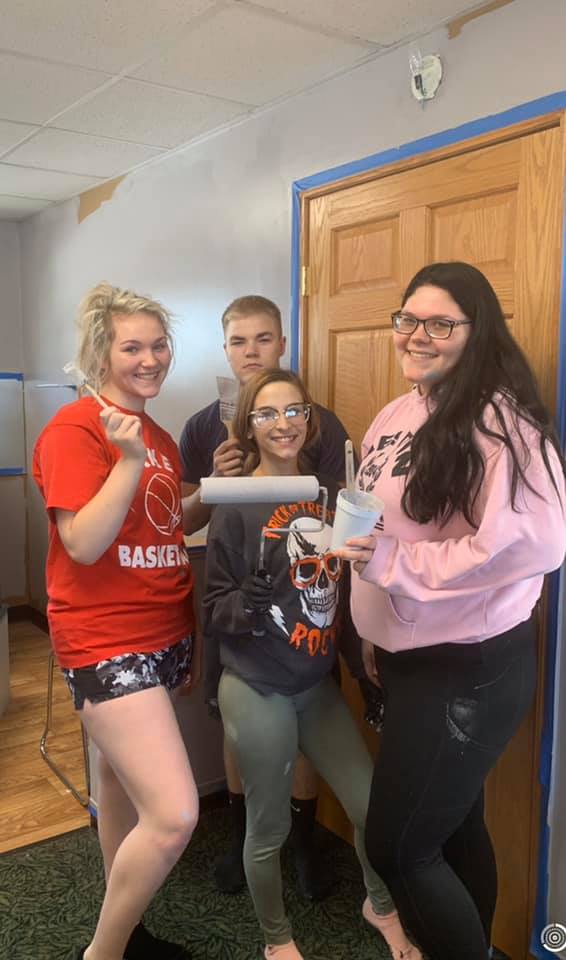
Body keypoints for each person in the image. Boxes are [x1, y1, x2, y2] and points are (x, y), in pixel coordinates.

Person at [337, 262, 566, 960]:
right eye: (408, 319)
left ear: (477, 331)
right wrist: (371, 623)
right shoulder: (398, 411)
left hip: (465, 668)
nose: (417, 335)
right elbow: (386, 523)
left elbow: (533, 544)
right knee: (454, 826)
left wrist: (394, 569)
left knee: (398, 848)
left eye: (440, 324)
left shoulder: (501, 423)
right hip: (409, 657)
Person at [202, 368, 420, 960]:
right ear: (250, 426)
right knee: (268, 828)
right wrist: (249, 600)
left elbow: (345, 587)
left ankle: (380, 906)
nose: (283, 423)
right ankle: (278, 941)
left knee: (370, 808)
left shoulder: (329, 495)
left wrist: (361, 656)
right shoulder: (236, 505)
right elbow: (213, 609)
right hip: (258, 684)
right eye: (267, 413)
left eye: (294, 410)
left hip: (313, 681)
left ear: (309, 418)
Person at [33, 283, 200, 960]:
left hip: (162, 633)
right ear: (102, 353)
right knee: (175, 814)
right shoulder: (76, 429)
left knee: (119, 789)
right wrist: (127, 460)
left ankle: (128, 939)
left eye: (159, 345)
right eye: (133, 347)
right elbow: (83, 542)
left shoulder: (157, 436)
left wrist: (213, 492)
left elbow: (161, 524)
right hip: (108, 639)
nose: (150, 359)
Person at [179, 295, 352, 899]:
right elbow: (185, 519)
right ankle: (240, 838)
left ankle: (303, 843)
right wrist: (216, 483)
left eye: (262, 339)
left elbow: (341, 510)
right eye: (238, 341)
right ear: (225, 349)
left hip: (305, 604)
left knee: (304, 721)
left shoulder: (317, 424)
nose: (251, 351)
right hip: (240, 601)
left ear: (282, 343)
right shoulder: (203, 426)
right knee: (240, 728)